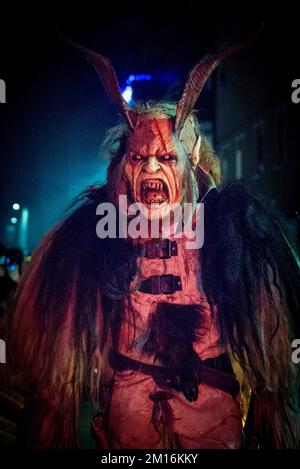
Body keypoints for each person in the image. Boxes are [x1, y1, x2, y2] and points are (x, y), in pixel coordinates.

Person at [1, 31, 300, 449]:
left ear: (187, 163)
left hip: (211, 426)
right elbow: (58, 368)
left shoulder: (230, 231)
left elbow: (271, 358)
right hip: (130, 423)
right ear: (124, 168)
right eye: (140, 158)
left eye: (166, 158)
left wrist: (270, 414)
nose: (153, 169)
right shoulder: (94, 236)